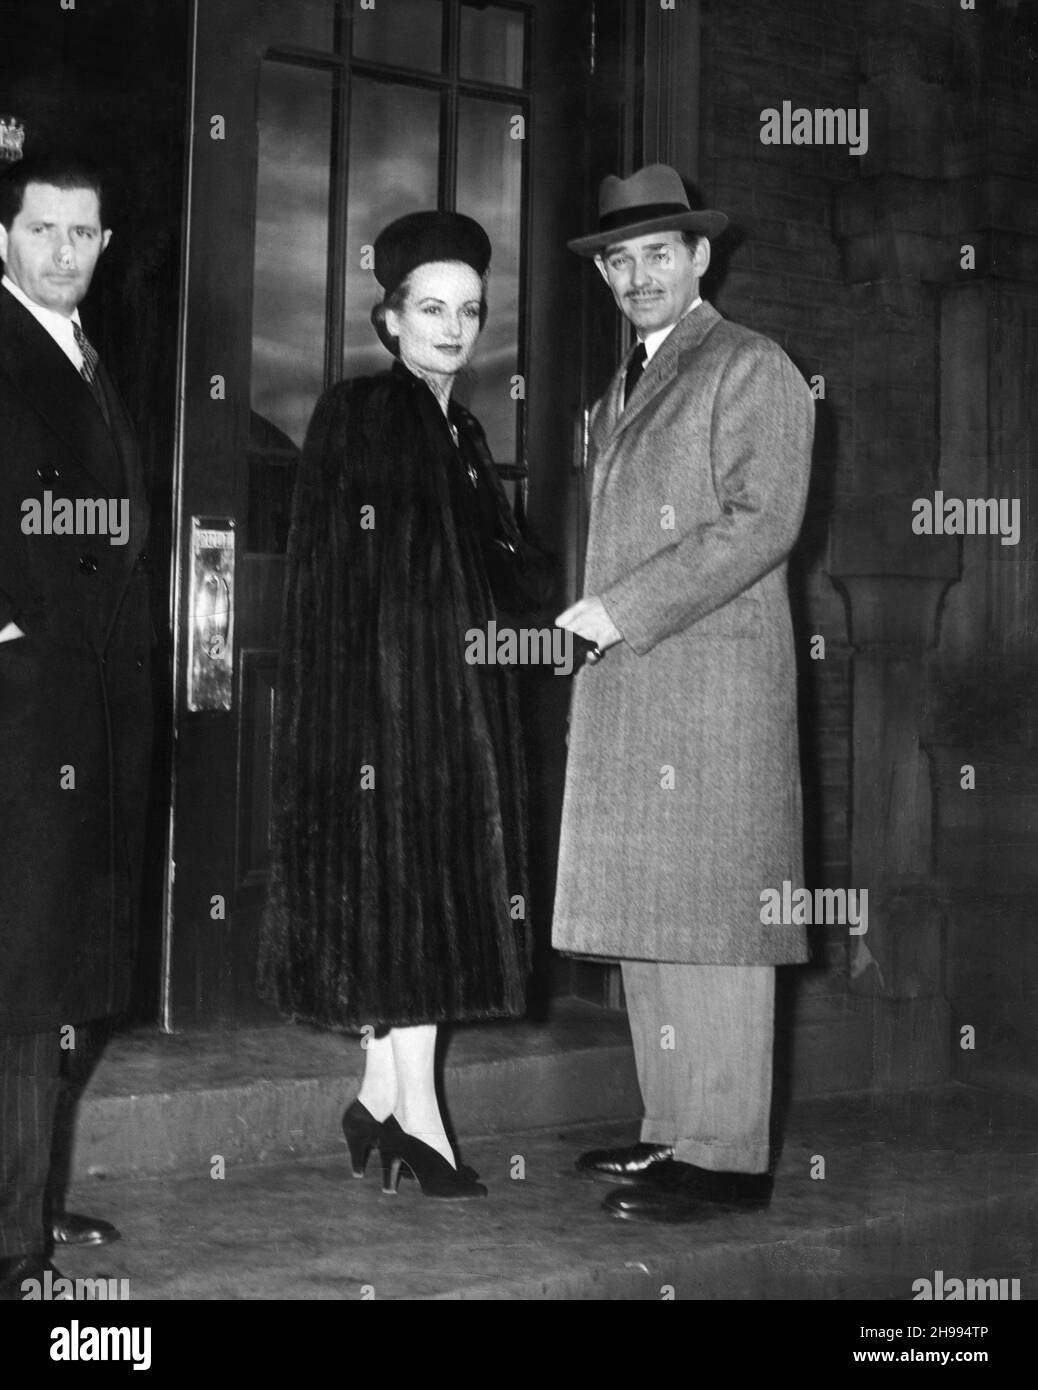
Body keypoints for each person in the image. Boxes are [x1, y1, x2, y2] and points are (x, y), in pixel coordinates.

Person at [260, 211, 543, 1200]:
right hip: (390, 712)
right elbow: (357, 581)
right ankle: (419, 1119)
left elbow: (486, 570)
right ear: (390, 318)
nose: (453, 327)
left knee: (407, 903)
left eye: (468, 309)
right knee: (411, 904)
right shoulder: (369, 409)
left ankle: (381, 1097)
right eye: (432, 308)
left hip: (442, 701)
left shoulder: (456, 424)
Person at [553, 164, 814, 1223]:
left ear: (701, 257)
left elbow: (764, 520)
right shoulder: (621, 388)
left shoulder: (751, 365)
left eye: (659, 253)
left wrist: (621, 608)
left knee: (714, 916)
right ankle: (675, 1131)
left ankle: (729, 1154)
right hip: (647, 687)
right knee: (656, 919)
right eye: (620, 259)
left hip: (711, 688)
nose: (637, 275)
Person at [0, 153, 152, 1295]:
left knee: (68, 977)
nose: (63, 250)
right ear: (3, 236)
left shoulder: (92, 355)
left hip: (92, 713)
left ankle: (30, 1192)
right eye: (42, 229)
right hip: (22, 706)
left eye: (82, 234)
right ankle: (15, 1244)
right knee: (22, 982)